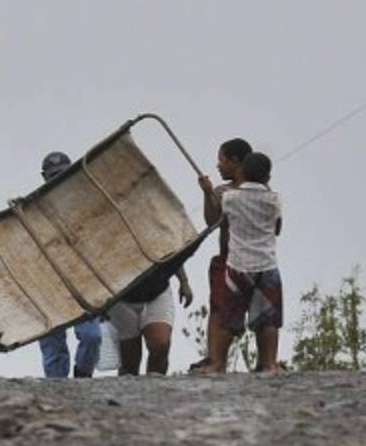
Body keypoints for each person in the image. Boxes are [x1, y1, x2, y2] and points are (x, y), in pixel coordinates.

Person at [198, 151, 284, 373]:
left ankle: (217, 364)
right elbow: (277, 229)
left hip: (238, 266)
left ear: (242, 170)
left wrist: (208, 193)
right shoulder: (274, 200)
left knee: (228, 318)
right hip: (267, 265)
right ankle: (270, 363)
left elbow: (215, 218)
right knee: (268, 321)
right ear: (267, 177)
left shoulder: (230, 198)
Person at [34, 152, 103, 378]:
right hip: (47, 283)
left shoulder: (86, 205)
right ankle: (57, 388)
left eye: (62, 175)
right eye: (53, 176)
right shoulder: (32, 210)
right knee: (53, 344)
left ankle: (83, 374)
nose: (58, 181)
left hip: (82, 281)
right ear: (44, 177)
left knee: (92, 335)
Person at [189, 138, 253, 373]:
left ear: (235, 162)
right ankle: (214, 359)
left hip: (253, 260)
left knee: (254, 312)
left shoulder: (257, 191)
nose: (218, 166)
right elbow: (211, 221)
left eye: (221, 160)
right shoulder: (220, 191)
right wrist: (207, 194)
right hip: (227, 258)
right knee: (218, 307)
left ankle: (264, 361)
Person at [108, 268, 193, 375]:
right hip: (121, 297)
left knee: (160, 344)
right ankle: (130, 389)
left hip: (157, 291)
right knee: (129, 359)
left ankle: (156, 387)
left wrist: (184, 281)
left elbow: (171, 253)